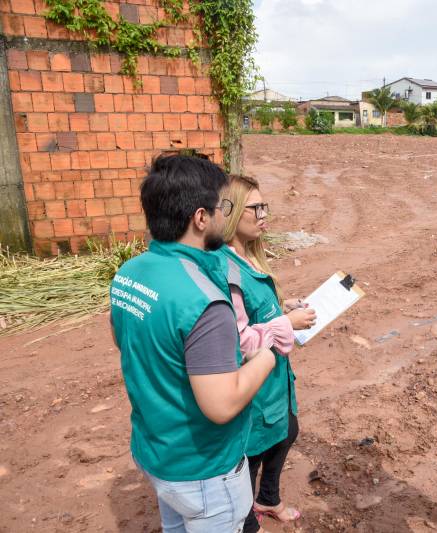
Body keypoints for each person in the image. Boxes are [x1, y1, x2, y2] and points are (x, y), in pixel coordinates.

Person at [110, 155, 276, 533]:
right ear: (201, 218)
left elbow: (124, 339)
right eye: (223, 207)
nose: (225, 216)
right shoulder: (204, 301)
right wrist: (268, 354)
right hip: (204, 471)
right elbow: (221, 405)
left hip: (156, 453)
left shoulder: (130, 273)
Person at [215, 175, 316, 533]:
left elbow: (258, 312)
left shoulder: (251, 256)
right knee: (253, 454)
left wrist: (280, 307)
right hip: (254, 383)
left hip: (275, 377)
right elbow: (239, 342)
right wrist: (287, 323)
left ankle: (268, 499)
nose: (263, 214)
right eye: (253, 208)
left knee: (288, 430)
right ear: (229, 213)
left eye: (263, 206)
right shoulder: (226, 269)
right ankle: (246, 517)